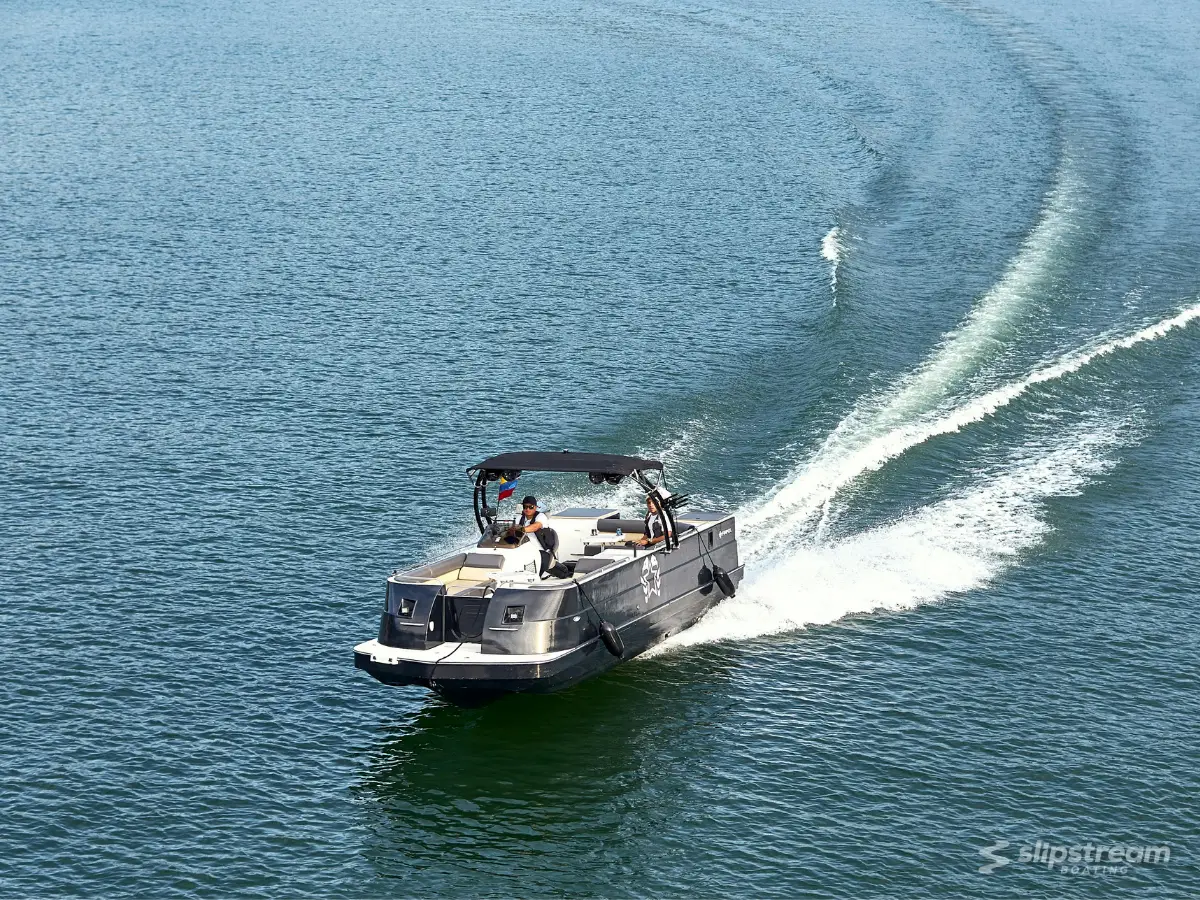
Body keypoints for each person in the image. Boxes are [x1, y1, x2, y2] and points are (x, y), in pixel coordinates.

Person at [508, 496, 558, 575]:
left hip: (540, 550)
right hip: (524, 550)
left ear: (535, 507)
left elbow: (535, 527)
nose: (527, 509)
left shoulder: (541, 516)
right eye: (525, 507)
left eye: (530, 507)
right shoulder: (519, 518)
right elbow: (514, 532)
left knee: (535, 572)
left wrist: (521, 529)